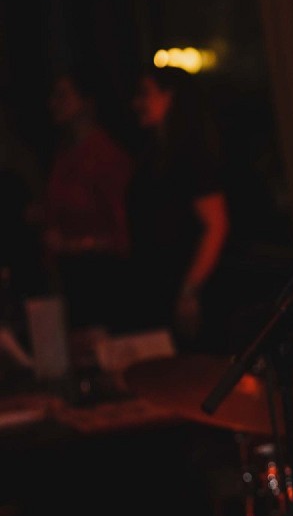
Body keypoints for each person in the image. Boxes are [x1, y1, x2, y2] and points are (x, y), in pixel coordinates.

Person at [127, 65, 230, 345]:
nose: (136, 103)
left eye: (145, 94)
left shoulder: (193, 155)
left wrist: (189, 289)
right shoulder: (153, 156)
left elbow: (216, 226)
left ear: (170, 96)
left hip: (187, 287)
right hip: (160, 284)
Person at [40, 73, 133, 330]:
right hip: (67, 280)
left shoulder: (106, 157)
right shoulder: (63, 154)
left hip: (101, 280)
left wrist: (76, 244)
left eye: (63, 96)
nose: (53, 104)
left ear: (87, 103)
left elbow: (123, 233)